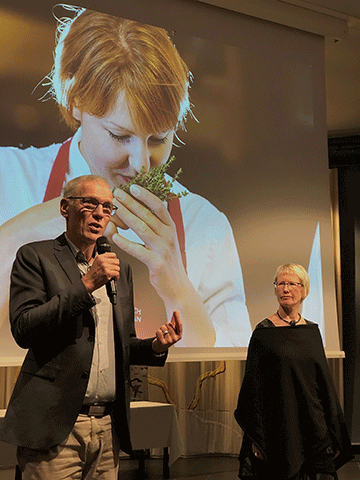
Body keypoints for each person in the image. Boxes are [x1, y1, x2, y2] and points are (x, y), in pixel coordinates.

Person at [0, 5, 251, 349]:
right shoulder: (8, 177)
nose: (141, 164)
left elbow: (225, 371)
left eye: (159, 139)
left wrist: (175, 283)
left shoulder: (202, 224)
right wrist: (16, 238)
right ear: (75, 101)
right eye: (120, 135)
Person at [0, 174, 182, 479]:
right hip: (55, 428)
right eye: (90, 203)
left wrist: (154, 346)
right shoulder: (35, 256)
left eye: (108, 207)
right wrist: (87, 285)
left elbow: (120, 343)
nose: (100, 213)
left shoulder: (118, 269)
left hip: (108, 428)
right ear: (64, 208)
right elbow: (24, 328)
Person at [234, 263, 353, 480]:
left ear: (304, 290)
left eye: (291, 284)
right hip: (277, 425)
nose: (285, 289)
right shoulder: (263, 333)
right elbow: (253, 387)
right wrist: (256, 438)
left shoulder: (312, 331)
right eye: (280, 284)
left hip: (312, 422)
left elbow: (322, 382)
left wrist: (333, 430)